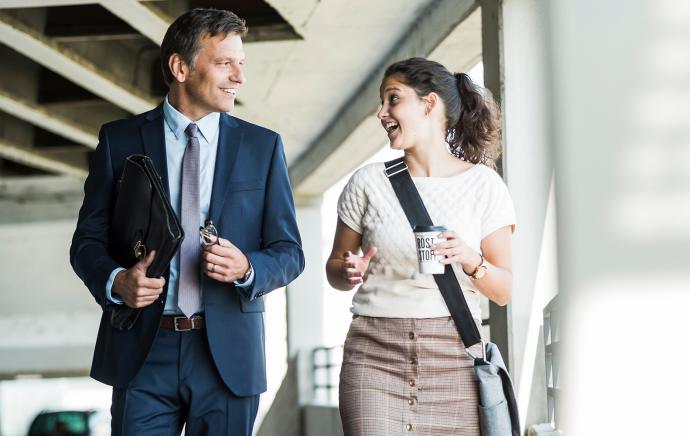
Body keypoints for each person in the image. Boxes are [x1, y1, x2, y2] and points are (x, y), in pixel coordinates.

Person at [70, 8, 304, 435]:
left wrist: (248, 269)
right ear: (180, 67)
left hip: (228, 356)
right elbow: (86, 241)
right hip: (142, 350)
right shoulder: (118, 141)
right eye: (224, 63)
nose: (239, 76)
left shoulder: (263, 147)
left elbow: (290, 253)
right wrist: (117, 280)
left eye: (241, 63)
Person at [326, 57, 517, 435]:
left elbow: (504, 291)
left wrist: (470, 259)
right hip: (374, 355)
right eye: (381, 103)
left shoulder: (484, 185)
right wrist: (346, 270)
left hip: (454, 358)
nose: (381, 113)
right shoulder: (367, 183)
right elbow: (334, 268)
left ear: (429, 104)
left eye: (392, 99)